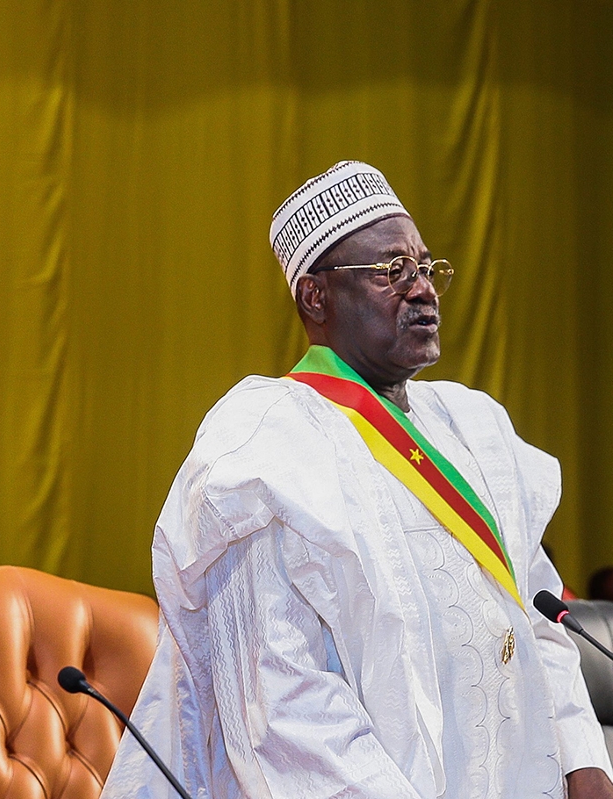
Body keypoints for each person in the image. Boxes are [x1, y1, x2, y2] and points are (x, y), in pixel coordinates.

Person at [101, 161, 613, 798]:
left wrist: (584, 761)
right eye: (390, 270)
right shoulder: (265, 446)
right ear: (316, 297)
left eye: (425, 268)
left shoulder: (472, 428)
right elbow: (284, 708)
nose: (421, 288)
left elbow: (541, 615)